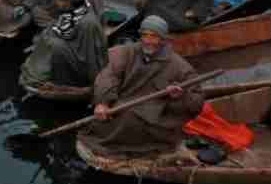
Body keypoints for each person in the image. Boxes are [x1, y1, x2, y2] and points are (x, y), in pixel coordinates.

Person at [80, 15, 204, 157]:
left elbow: (196, 103)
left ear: (163, 39)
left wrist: (179, 96)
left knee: (130, 118)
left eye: (154, 36)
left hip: (155, 119)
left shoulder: (180, 67)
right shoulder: (125, 52)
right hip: (120, 106)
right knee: (109, 116)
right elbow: (108, 76)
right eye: (145, 35)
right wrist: (103, 102)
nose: (148, 41)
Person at [20, 0, 108, 88]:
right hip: (75, 50)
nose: (57, 2)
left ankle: (56, 80)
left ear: (68, 2)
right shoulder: (74, 11)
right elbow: (63, 29)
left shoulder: (88, 23)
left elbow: (88, 56)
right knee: (47, 35)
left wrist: (94, 83)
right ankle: (35, 73)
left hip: (83, 65)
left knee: (54, 45)